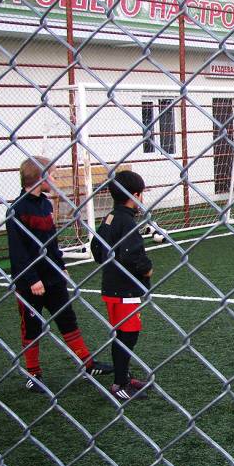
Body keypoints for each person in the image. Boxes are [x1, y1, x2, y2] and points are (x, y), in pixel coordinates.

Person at [7, 156, 113, 394]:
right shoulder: (17, 209)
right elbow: (18, 250)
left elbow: (51, 242)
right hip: (29, 283)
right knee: (31, 327)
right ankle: (33, 374)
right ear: (40, 177)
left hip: (53, 277)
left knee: (67, 319)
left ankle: (88, 364)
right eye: (52, 175)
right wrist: (32, 279)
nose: (55, 179)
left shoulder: (45, 204)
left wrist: (60, 265)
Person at [90, 170, 153, 402]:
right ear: (134, 195)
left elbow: (97, 248)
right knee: (128, 335)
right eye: (141, 195)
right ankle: (120, 384)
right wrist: (146, 268)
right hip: (125, 290)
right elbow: (131, 255)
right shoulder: (127, 221)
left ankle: (123, 375)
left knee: (122, 334)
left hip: (111, 287)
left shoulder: (110, 217)